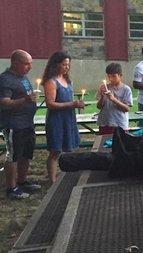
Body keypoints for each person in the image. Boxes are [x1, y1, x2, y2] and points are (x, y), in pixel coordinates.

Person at [0, 49, 41, 199]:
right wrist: (26, 100)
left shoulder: (23, 77)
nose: (29, 67)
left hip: (27, 123)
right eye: (26, 64)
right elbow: (4, 102)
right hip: (13, 125)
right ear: (15, 63)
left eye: (30, 64)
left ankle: (22, 181)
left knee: (26, 154)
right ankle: (11, 188)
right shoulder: (5, 80)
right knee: (13, 156)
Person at [42, 51, 85, 183]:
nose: (67, 67)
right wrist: (72, 104)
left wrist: (78, 104)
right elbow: (50, 103)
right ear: (56, 65)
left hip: (69, 119)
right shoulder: (51, 81)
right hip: (57, 120)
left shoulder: (67, 80)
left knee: (72, 147)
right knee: (55, 151)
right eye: (64, 64)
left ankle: (72, 175)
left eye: (68, 65)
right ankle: (53, 180)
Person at [96, 63, 133, 135]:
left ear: (120, 75)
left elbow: (127, 108)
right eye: (109, 76)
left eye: (114, 76)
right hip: (105, 123)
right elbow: (99, 106)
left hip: (119, 124)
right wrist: (102, 96)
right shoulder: (104, 87)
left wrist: (113, 99)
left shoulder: (126, 89)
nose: (111, 79)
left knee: (120, 145)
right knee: (105, 144)